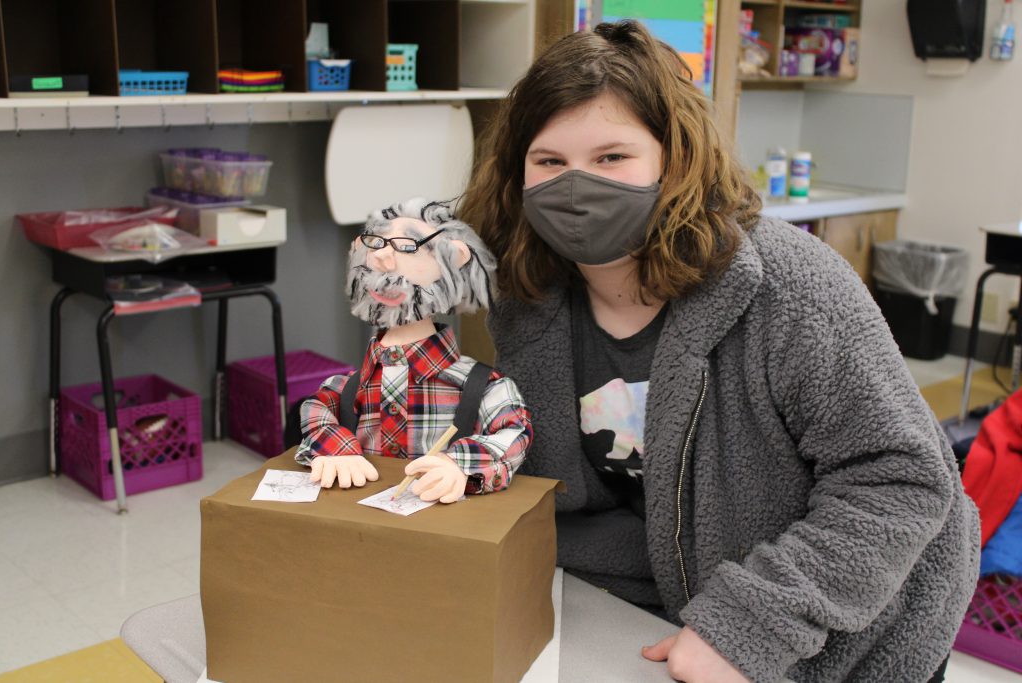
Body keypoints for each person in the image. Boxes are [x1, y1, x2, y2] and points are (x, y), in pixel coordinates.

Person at [458, 20, 980, 683]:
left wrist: (747, 624)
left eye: (612, 157)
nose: (576, 186)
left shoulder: (791, 287)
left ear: (673, 162)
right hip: (670, 609)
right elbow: (595, 493)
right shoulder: (527, 298)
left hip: (859, 631)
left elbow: (900, 479)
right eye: (550, 162)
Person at [295, 198, 532, 503]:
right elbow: (315, 408)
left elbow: (514, 432)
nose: (381, 256)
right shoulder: (345, 389)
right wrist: (334, 448)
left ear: (455, 258)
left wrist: (460, 464)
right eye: (376, 243)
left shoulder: (487, 387)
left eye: (406, 245)